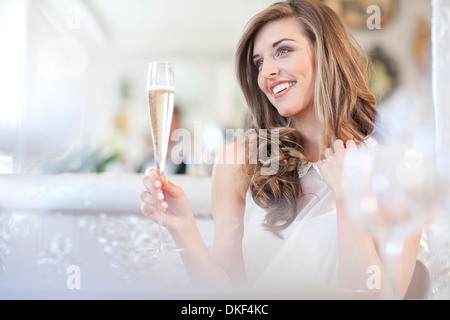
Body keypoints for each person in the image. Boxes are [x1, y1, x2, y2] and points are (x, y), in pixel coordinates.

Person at [140, 0, 421, 298]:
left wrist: (347, 195)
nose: (267, 73)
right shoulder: (240, 162)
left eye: (283, 51)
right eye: (259, 62)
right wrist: (183, 227)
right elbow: (226, 294)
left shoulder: (395, 171)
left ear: (326, 54)